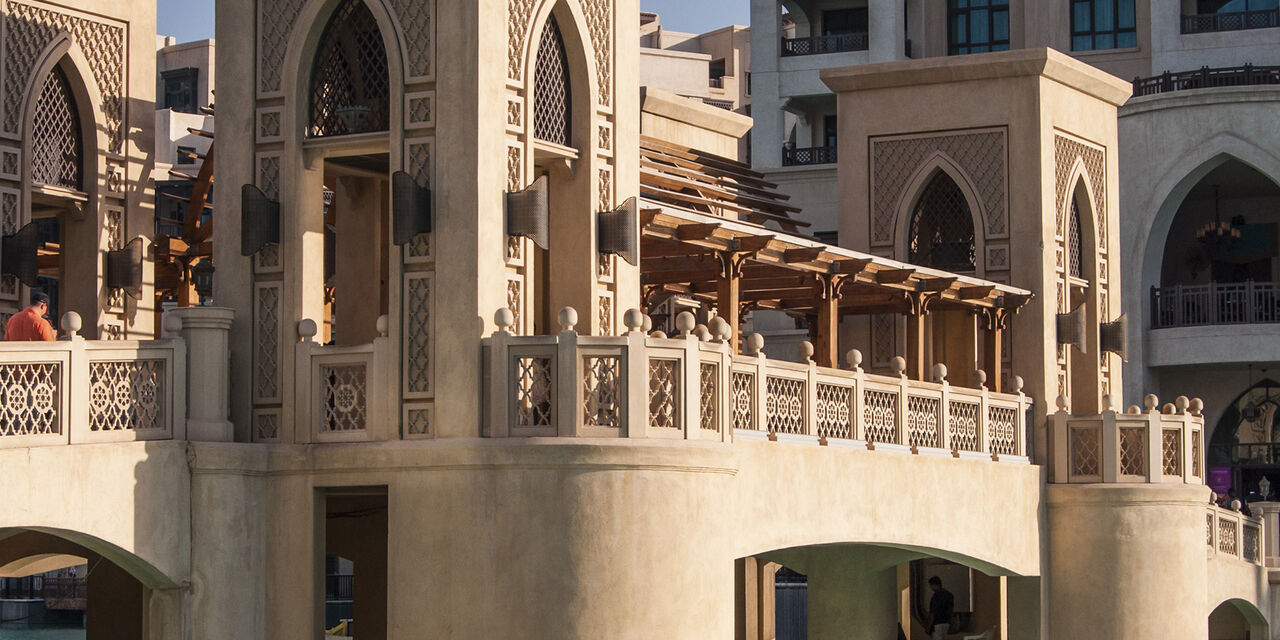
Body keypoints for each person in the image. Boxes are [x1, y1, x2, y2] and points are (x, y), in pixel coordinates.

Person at [928, 576, 954, 640]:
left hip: (937, 624)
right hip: (946, 623)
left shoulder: (935, 597)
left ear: (934, 585)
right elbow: (951, 611)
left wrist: (928, 626)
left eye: (931, 585)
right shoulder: (949, 595)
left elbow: (933, 613)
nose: (931, 587)